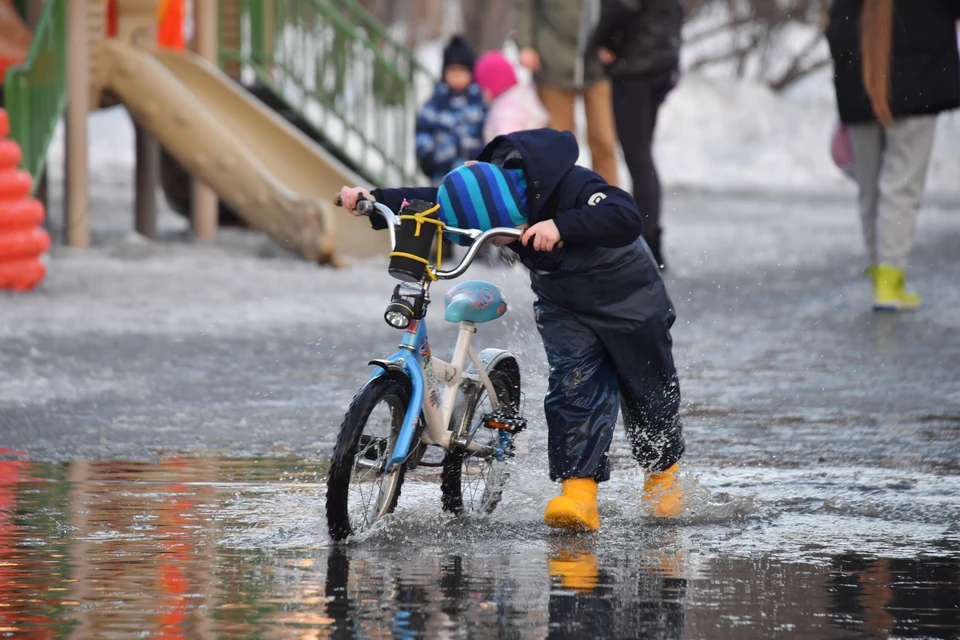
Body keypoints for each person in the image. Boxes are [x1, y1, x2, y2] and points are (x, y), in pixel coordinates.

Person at [337, 128, 686, 531]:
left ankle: (662, 478)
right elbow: (432, 200)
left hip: (629, 293)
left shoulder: (570, 184)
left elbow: (623, 213)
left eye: (500, 235)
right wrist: (373, 199)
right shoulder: (483, 192)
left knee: (647, 384)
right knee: (575, 386)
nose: (504, 244)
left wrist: (561, 227)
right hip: (564, 302)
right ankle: (578, 493)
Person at [825, 0, 960, 311]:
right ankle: (890, 277)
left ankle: (879, 271)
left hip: (858, 85)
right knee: (901, 185)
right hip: (917, 84)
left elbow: (836, 24)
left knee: (870, 186)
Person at [590, 0, 684, 271]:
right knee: (642, 156)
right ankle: (650, 241)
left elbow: (622, 6)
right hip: (659, 65)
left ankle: (647, 244)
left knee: (638, 157)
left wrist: (602, 44)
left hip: (636, 68)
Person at [514, 0, 619, 187]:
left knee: (604, 140)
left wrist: (615, 42)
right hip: (553, 61)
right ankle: (560, 204)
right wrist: (525, 44)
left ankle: (609, 205)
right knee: (559, 145)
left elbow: (621, 7)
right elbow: (525, 7)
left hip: (597, 64)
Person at [415, 35, 487, 186]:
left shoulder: (479, 101)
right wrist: (427, 157)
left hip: (475, 175)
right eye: (452, 71)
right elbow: (423, 130)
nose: (457, 76)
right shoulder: (436, 102)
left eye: (462, 71)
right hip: (442, 173)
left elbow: (487, 131)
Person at [473, 50, 549, 144]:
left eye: (483, 87)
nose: (482, 92)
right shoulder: (522, 95)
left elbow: (507, 145)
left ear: (493, 84)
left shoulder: (507, 111)